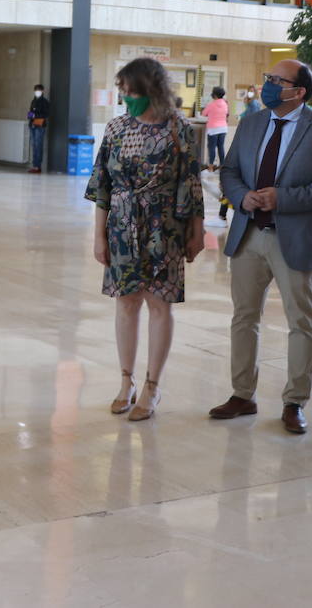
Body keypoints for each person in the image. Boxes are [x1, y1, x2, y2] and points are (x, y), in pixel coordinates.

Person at [210, 60, 312, 434]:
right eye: (268, 78)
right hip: (249, 235)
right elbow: (230, 171)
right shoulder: (253, 123)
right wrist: (242, 197)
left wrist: (282, 198)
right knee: (244, 317)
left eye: (275, 80)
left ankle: (294, 402)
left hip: (295, 239)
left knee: (301, 321)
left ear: (298, 91)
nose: (267, 85)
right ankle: (242, 394)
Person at [86, 58, 204, 422]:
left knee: (159, 303)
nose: (126, 97)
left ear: (151, 90)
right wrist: (99, 235)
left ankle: (152, 386)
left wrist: (196, 231)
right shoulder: (117, 128)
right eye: (122, 90)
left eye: (130, 90)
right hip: (122, 224)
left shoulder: (179, 129)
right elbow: (102, 186)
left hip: (164, 225)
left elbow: (192, 182)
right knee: (126, 302)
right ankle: (126, 382)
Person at [202, 86, 229, 172]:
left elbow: (204, 113)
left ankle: (210, 167)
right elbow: (227, 113)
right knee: (221, 147)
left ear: (215, 95)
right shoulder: (225, 104)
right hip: (223, 128)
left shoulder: (211, 104)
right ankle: (222, 166)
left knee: (212, 147)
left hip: (213, 129)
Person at [27, 84, 49, 174]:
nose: (37, 92)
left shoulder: (45, 102)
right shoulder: (33, 101)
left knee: (38, 145)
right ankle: (34, 165)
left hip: (40, 126)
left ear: (42, 91)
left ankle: (37, 166)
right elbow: (31, 111)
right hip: (32, 125)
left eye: (39, 90)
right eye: (36, 90)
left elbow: (46, 114)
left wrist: (36, 115)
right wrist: (30, 115)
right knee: (34, 146)